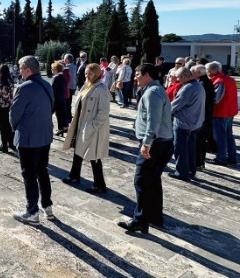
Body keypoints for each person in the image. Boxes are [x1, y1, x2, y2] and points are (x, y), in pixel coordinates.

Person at [119, 63, 173, 233]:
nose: (135, 77)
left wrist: (146, 143)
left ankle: (140, 220)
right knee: (153, 180)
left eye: (137, 74)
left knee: (141, 180)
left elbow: (153, 121)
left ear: (147, 75)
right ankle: (155, 217)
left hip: (155, 144)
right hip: (161, 142)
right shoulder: (154, 90)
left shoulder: (152, 93)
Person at [9, 55, 55, 224]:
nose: (19, 72)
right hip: (45, 135)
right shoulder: (47, 84)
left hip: (29, 137)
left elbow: (14, 114)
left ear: (28, 70)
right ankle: (47, 205)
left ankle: (32, 211)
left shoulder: (25, 87)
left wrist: (15, 130)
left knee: (28, 174)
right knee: (42, 170)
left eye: (20, 69)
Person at [62, 63, 110, 194]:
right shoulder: (87, 86)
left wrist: (92, 126)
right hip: (81, 124)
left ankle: (100, 184)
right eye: (86, 73)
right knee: (78, 151)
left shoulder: (102, 89)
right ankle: (74, 175)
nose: (87, 75)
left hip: (93, 128)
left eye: (90, 73)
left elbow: (104, 112)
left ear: (97, 74)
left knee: (93, 156)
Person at [169, 67, 205, 181]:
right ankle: (190, 170)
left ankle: (181, 173)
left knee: (180, 149)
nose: (178, 80)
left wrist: (164, 112)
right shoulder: (198, 85)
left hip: (184, 123)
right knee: (190, 149)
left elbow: (175, 105)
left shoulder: (187, 88)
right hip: (195, 123)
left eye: (179, 78)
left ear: (184, 76)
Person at [207, 61, 239, 165]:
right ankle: (232, 157)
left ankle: (221, 158)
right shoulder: (229, 79)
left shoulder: (219, 81)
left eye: (208, 70)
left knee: (220, 137)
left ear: (212, 71)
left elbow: (216, 99)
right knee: (229, 135)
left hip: (221, 113)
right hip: (230, 111)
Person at [191, 64, 215, 169]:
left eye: (193, 72)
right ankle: (200, 162)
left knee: (199, 141)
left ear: (199, 73)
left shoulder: (201, 84)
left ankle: (198, 162)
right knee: (201, 140)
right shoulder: (207, 82)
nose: (191, 74)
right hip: (206, 115)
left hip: (202, 116)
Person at [0, 64, 15, 153]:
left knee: (2, 126)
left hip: (1, 106)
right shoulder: (11, 81)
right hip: (9, 105)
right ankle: (11, 143)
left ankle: (4, 145)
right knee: (9, 125)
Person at [50, 61, 68, 136]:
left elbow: (52, 89)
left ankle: (51, 128)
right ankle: (62, 128)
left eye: (52, 69)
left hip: (55, 99)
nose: (51, 70)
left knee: (48, 114)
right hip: (61, 98)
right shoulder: (63, 77)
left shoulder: (56, 78)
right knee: (60, 114)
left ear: (56, 69)